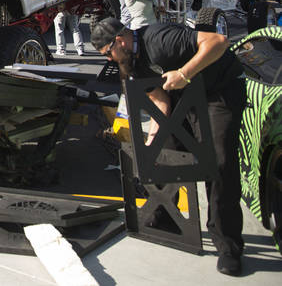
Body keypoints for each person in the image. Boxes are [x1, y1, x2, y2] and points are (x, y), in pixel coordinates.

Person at [90, 17, 246, 276]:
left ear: (119, 41)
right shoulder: (132, 64)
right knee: (164, 152)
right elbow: (161, 101)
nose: (109, 59)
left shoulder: (160, 40)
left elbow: (218, 41)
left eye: (108, 53)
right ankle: (166, 217)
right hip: (185, 92)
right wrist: (152, 142)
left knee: (219, 161)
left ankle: (228, 245)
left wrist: (184, 73)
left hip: (219, 90)